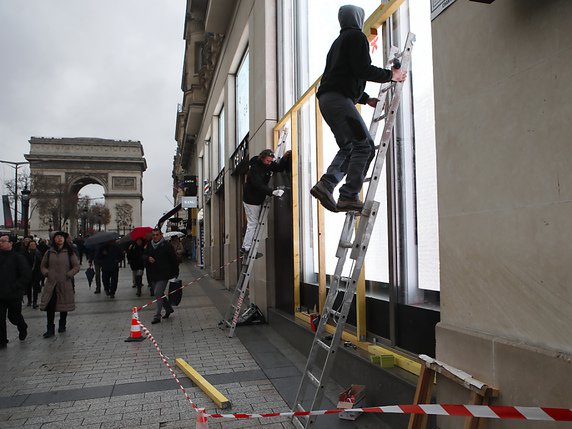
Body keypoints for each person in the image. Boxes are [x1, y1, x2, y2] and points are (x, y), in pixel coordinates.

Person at [310, 4, 407, 213]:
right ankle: (348, 195)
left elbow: (342, 76)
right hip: (338, 101)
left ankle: (327, 184)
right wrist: (392, 75)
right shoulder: (356, 37)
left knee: (349, 147)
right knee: (364, 146)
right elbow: (362, 69)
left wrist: (366, 99)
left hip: (329, 101)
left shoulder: (337, 43)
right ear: (358, 19)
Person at [241, 148, 291, 258]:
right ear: (262, 158)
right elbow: (257, 184)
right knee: (253, 224)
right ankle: (246, 248)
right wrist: (271, 192)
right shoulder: (255, 168)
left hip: (257, 199)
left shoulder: (267, 165)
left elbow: (278, 168)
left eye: (270, 161)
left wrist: (285, 157)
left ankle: (247, 246)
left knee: (253, 223)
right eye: (268, 161)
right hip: (251, 200)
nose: (269, 163)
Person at [39, 231, 80, 338]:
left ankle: (62, 324)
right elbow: (42, 266)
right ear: (54, 239)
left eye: (61, 237)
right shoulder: (49, 252)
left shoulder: (69, 252)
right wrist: (46, 273)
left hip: (64, 283)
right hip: (52, 283)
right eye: (57, 237)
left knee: (63, 306)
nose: (60, 239)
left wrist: (69, 274)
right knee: (50, 306)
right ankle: (50, 329)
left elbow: (76, 266)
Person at [0, 234, 30, 348]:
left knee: (14, 317)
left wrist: (16, 286)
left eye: (3, 241)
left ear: (10, 243)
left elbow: (26, 275)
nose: (1, 243)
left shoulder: (18, 257)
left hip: (14, 294)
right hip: (1, 295)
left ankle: (22, 327)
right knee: (0, 318)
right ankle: (2, 340)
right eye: (0, 241)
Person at [144, 229, 178, 324]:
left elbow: (173, 260)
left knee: (157, 293)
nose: (155, 236)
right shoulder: (149, 245)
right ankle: (168, 309)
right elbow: (143, 255)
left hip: (164, 274)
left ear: (161, 235)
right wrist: (147, 258)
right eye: (153, 235)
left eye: (157, 234)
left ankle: (157, 316)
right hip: (152, 273)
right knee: (160, 294)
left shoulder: (167, 246)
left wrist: (175, 273)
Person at [23, 240, 43, 308]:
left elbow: (41, 262)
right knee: (28, 288)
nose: (33, 246)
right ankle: (29, 300)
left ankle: (35, 302)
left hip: (36, 273)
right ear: (29, 246)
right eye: (31, 245)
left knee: (35, 288)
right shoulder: (26, 253)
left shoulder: (38, 253)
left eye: (34, 244)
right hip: (28, 272)